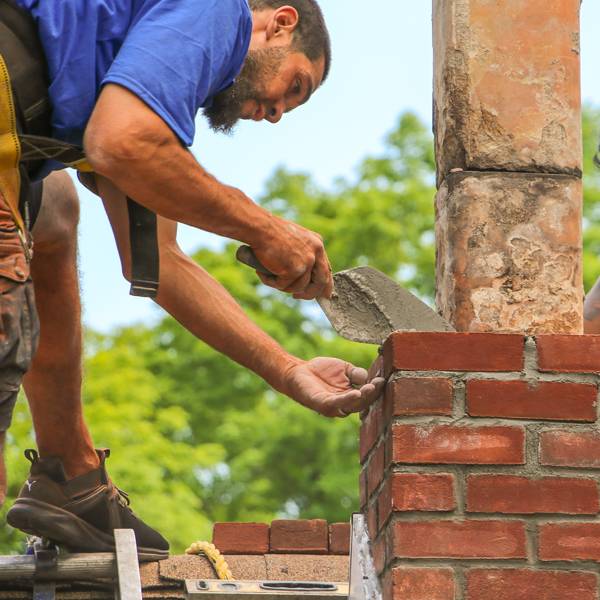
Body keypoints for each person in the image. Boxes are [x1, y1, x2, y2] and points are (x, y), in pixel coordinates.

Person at [0, 0, 385, 560]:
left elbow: (159, 264)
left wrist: (289, 369)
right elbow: (124, 142)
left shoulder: (126, 77)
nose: (278, 113)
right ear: (280, 23)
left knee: (53, 206)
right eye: (295, 85)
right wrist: (264, 227)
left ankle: (71, 478)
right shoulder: (216, 11)